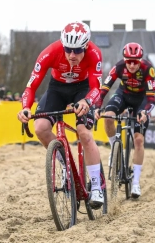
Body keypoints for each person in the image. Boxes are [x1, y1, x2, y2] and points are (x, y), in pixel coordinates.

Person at [17, 21, 104, 209]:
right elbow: (31, 86)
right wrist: (25, 107)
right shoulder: (49, 52)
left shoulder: (95, 53)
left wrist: (87, 101)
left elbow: (97, 87)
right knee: (40, 127)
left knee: (84, 133)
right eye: (68, 49)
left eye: (77, 50)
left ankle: (97, 186)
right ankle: (65, 165)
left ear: (86, 46)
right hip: (57, 88)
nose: (72, 55)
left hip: (83, 90)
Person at [95, 42, 155, 198]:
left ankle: (135, 182)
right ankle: (114, 149)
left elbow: (151, 99)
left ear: (140, 60)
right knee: (108, 116)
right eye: (129, 61)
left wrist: (145, 112)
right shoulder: (119, 67)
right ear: (124, 59)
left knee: (138, 141)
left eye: (135, 61)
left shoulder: (148, 69)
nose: (132, 65)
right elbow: (105, 88)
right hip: (123, 95)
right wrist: (97, 106)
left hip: (141, 101)